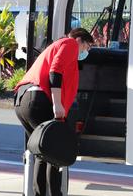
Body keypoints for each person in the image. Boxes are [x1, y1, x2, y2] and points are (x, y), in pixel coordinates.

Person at [14, 28, 94, 196]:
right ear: (80, 40)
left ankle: (40, 193)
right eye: (87, 47)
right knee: (55, 151)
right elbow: (55, 71)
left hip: (24, 102)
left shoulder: (58, 46)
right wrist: (57, 104)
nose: (86, 52)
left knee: (43, 152)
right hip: (39, 100)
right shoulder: (70, 43)